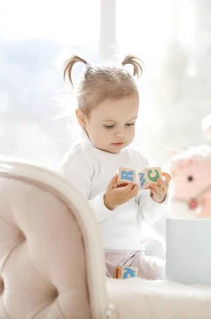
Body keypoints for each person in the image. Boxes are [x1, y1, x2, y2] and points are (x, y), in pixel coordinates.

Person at [57, 54, 170, 280]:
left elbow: (146, 216)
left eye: (130, 123)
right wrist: (107, 203)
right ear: (82, 119)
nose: (121, 133)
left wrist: (158, 198)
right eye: (109, 126)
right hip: (90, 255)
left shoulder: (137, 160)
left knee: (167, 277)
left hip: (131, 255)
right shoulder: (80, 159)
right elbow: (68, 217)